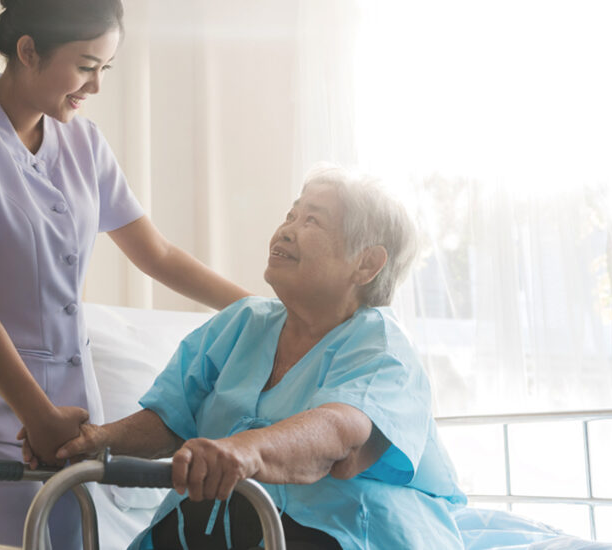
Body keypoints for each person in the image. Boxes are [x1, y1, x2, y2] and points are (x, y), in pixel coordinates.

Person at [0, 0, 251, 545]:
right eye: (86, 66)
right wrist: (36, 416)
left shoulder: (84, 143)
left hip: (75, 407)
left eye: (104, 70)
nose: (94, 87)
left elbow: (156, 254)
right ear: (28, 51)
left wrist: (263, 313)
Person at [45, 164, 467, 549]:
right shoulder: (242, 323)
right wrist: (97, 440)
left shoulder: (381, 346)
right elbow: (172, 419)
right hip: (216, 525)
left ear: (367, 264)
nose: (286, 230)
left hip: (346, 531)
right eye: (290, 215)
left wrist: (245, 451)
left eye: (312, 221)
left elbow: (340, 431)